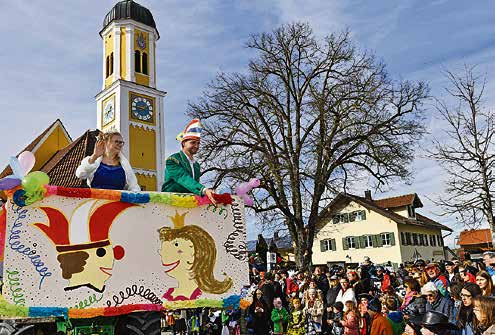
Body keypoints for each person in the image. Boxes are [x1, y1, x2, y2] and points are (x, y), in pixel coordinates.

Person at [161, 119, 217, 204]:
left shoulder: (196, 165)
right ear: (184, 143)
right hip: (171, 203)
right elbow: (183, 178)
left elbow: (194, 186)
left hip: (189, 205)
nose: (196, 146)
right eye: (193, 143)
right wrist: (204, 190)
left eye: (198, 143)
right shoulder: (172, 160)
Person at [75, 131, 140, 191]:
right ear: (106, 143)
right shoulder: (95, 161)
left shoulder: (124, 165)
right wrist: (94, 156)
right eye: (116, 141)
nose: (119, 144)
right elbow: (80, 174)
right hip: (97, 201)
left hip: (117, 202)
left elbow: (133, 186)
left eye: (121, 142)